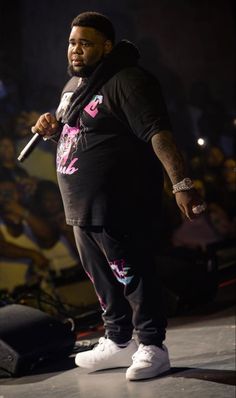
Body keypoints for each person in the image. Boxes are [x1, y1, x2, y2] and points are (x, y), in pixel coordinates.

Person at [31, 11, 206, 381]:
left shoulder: (127, 80)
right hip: (81, 206)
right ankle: (119, 340)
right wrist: (51, 131)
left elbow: (159, 133)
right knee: (101, 279)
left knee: (133, 275)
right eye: (72, 42)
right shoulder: (73, 87)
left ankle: (153, 346)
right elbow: (78, 136)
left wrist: (181, 184)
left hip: (119, 202)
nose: (76, 50)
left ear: (106, 47)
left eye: (86, 43)